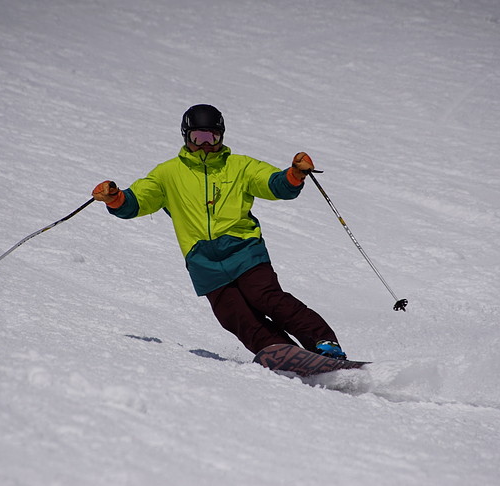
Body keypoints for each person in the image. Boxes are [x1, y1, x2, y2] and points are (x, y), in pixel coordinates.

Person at [92, 104, 346, 359]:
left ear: (221, 137)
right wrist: (116, 199)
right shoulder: (167, 174)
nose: (205, 144)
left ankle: (323, 341)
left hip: (243, 248)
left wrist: (293, 176)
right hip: (201, 259)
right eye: (197, 137)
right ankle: (282, 353)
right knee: (234, 315)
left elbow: (271, 183)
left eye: (211, 137)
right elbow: (139, 200)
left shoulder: (239, 166)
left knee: (265, 297)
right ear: (186, 136)